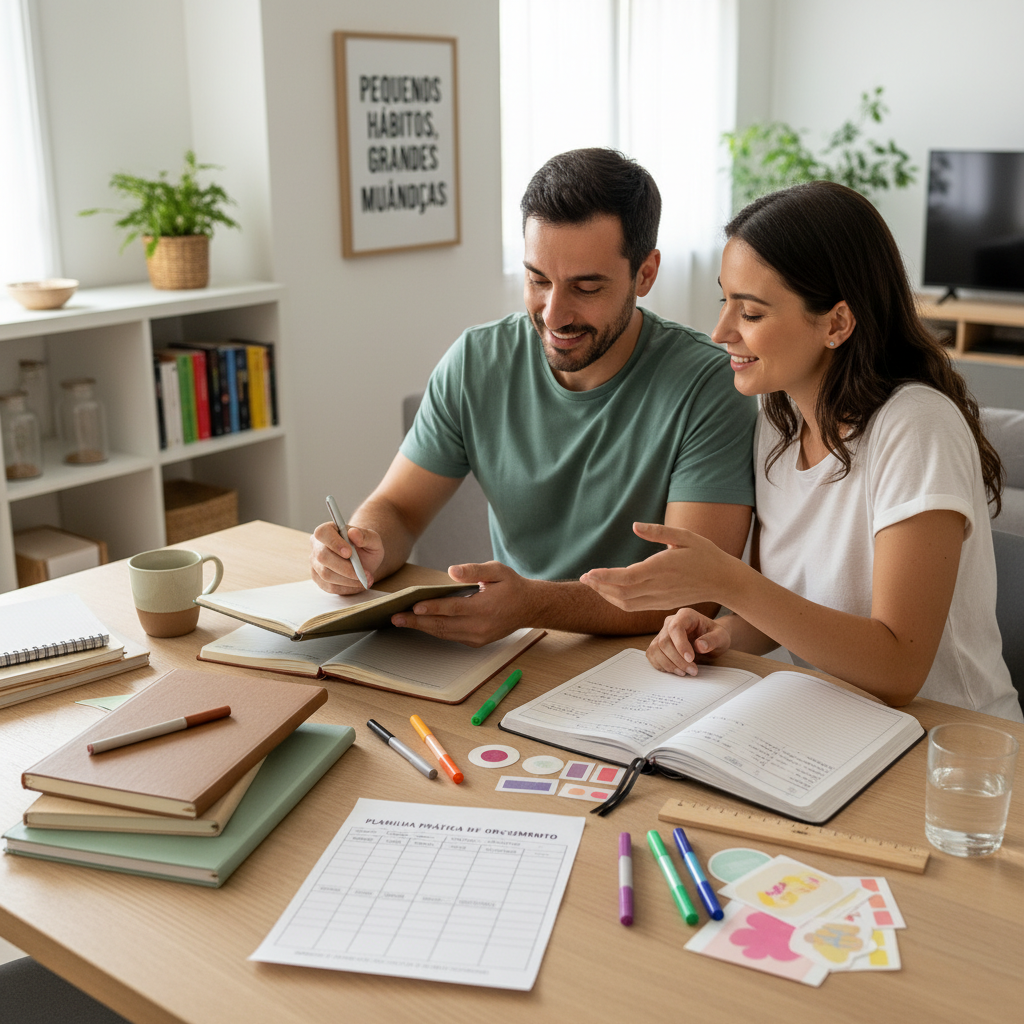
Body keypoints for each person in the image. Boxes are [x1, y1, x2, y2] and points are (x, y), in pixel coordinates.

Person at [581, 179, 1022, 722]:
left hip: (952, 739)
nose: (720, 331)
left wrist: (726, 580)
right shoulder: (779, 420)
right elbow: (783, 607)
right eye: (725, 301)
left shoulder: (916, 427)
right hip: (837, 726)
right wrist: (720, 632)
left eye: (750, 313)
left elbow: (899, 670)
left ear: (836, 322)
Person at [310, 148, 757, 646]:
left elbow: (692, 592)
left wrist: (533, 603)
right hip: (515, 648)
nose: (553, 314)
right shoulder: (476, 361)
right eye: (537, 280)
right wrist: (363, 545)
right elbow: (398, 507)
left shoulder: (709, 385)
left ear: (645, 274)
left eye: (586, 287)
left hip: (645, 661)